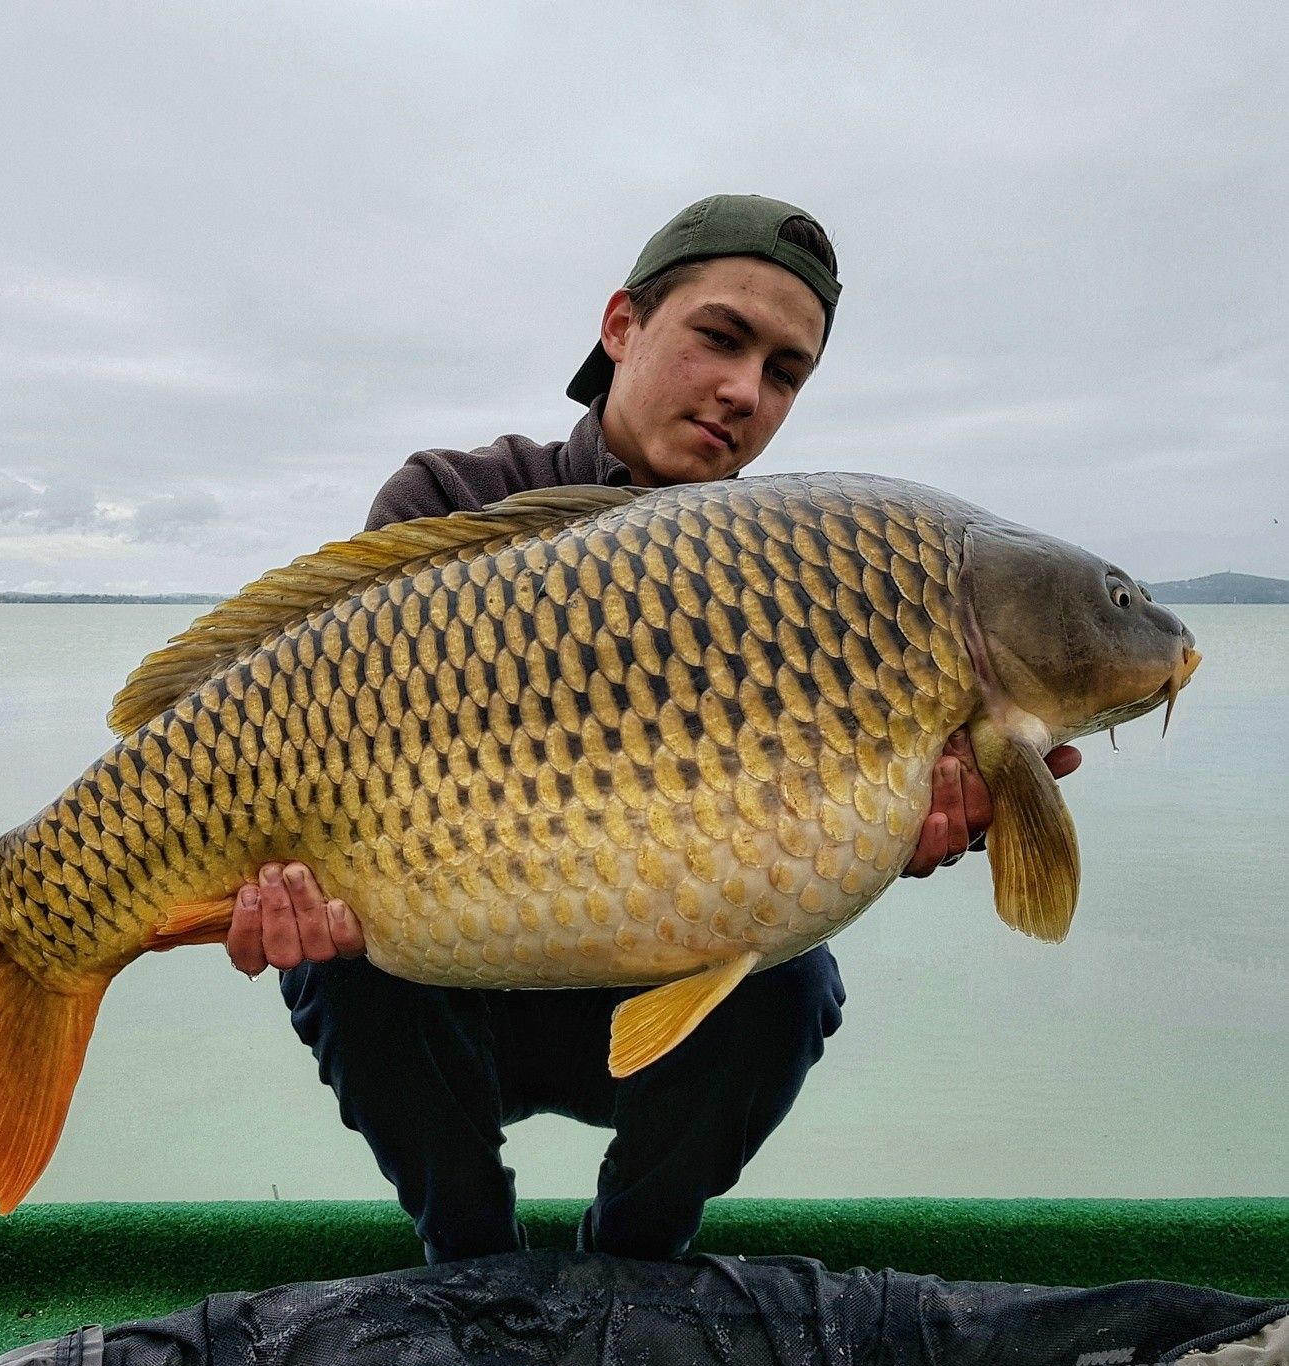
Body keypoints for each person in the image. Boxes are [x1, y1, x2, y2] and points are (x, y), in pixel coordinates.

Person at [224, 195, 1081, 1265]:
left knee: (797, 978)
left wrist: (896, 827)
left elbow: (805, 813)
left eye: (783, 373)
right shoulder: (451, 500)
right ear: (621, 326)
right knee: (338, 962)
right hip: (449, 980)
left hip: (648, 1004)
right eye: (720, 339)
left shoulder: (801, 571)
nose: (743, 392)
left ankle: (636, 1267)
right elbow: (327, 745)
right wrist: (266, 888)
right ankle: (469, 1263)